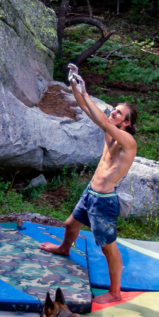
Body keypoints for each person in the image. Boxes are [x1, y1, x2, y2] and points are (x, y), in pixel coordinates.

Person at [40, 70, 137, 305]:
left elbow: (102, 118)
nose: (113, 111)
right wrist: (75, 84)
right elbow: (85, 108)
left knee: (107, 247)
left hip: (104, 202)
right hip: (90, 194)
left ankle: (115, 292)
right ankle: (64, 248)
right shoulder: (109, 133)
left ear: (127, 123)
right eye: (114, 108)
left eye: (119, 112)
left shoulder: (128, 142)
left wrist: (85, 90)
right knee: (70, 224)